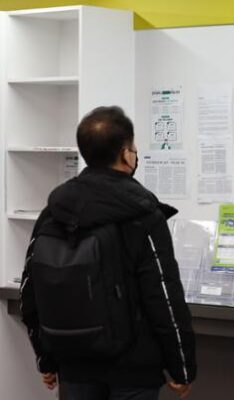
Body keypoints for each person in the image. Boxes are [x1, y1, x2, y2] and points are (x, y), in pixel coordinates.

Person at [20, 106, 197, 400]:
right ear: (127, 155)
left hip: (73, 363)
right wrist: (182, 366)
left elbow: (31, 291)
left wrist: (45, 358)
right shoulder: (144, 215)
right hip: (135, 368)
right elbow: (163, 297)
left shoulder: (55, 211)